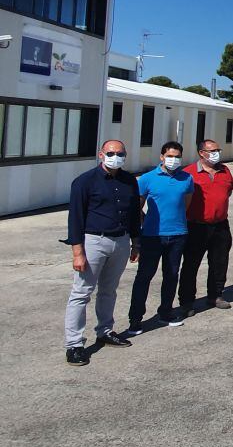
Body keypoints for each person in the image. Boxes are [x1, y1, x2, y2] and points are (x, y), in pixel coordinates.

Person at [63, 140, 141, 366]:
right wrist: (78, 252)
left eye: (120, 153)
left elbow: (134, 213)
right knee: (81, 293)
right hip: (93, 242)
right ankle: (74, 344)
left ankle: (105, 330)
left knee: (109, 290)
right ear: (101, 155)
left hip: (121, 241)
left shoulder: (129, 181)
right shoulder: (84, 182)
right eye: (111, 153)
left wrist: (136, 242)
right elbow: (75, 219)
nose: (115, 156)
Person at [127, 141, 194, 332]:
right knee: (144, 277)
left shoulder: (187, 179)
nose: (174, 160)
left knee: (171, 276)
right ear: (162, 157)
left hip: (178, 235)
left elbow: (185, 204)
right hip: (152, 236)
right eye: (170, 156)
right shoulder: (147, 179)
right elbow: (137, 208)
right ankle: (135, 318)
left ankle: (165, 312)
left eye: (177, 156)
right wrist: (147, 223)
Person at [179, 139, 233, 312]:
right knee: (191, 265)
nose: (216, 153)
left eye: (217, 150)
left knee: (219, 263)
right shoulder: (188, 173)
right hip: (196, 226)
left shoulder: (224, 170)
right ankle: (187, 301)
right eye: (211, 151)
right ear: (201, 153)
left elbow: (227, 192)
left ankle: (216, 295)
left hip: (220, 226)